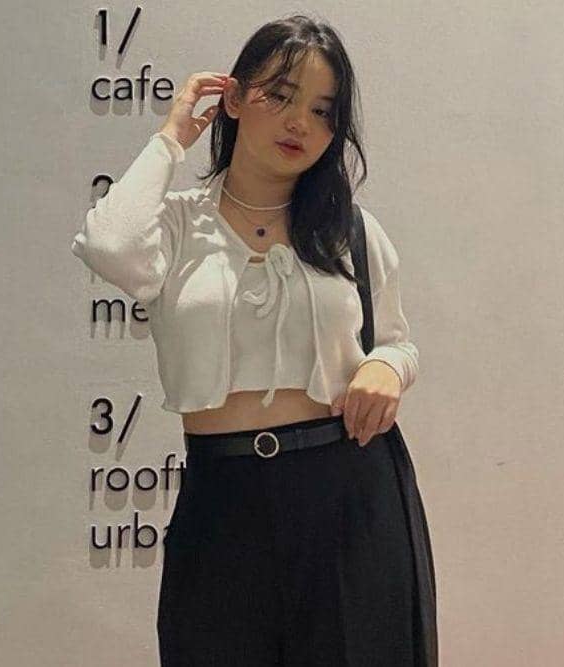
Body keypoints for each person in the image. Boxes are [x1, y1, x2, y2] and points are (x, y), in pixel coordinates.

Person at [71, 14, 434, 666]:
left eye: (322, 110)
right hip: (224, 499)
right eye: (281, 95)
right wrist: (172, 137)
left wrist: (386, 368)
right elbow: (108, 244)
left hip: (347, 493)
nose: (300, 123)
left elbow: (397, 343)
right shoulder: (177, 227)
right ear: (233, 98)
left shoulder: (348, 230)